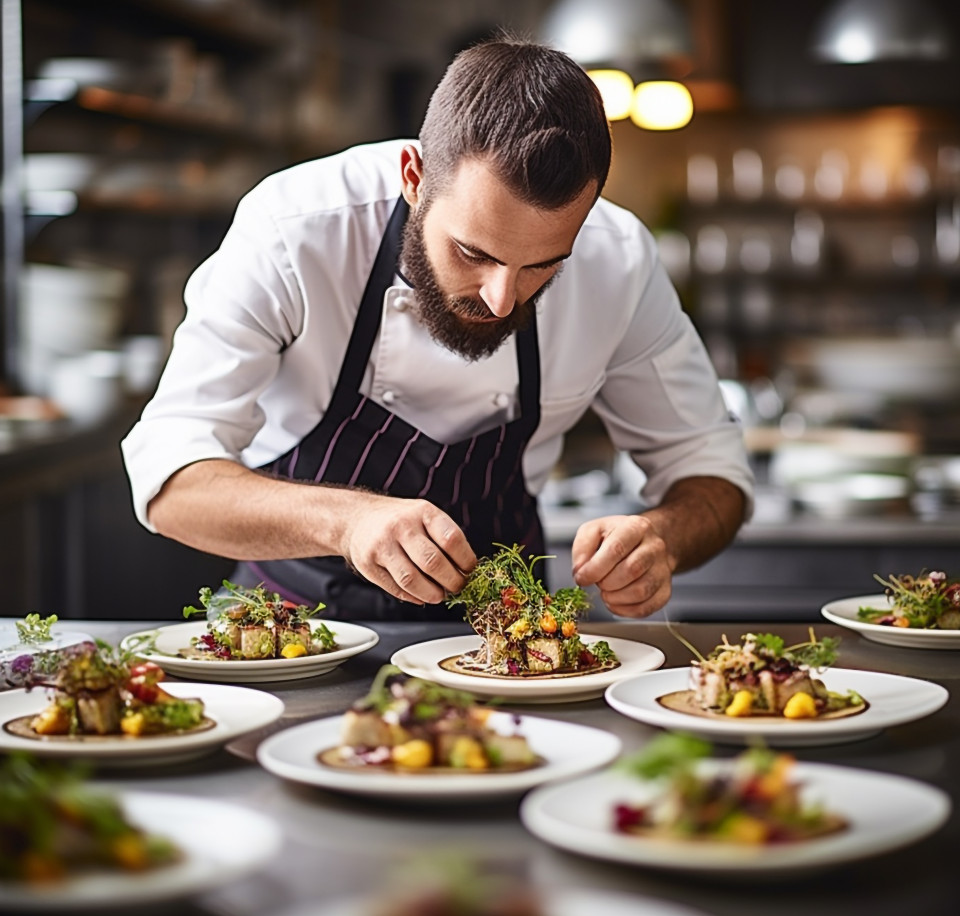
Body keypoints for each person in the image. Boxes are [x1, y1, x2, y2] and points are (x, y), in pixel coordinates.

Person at [121, 36, 753, 622]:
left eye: (542, 266)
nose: (501, 299)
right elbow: (171, 483)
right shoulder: (295, 230)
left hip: (508, 641)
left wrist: (664, 538)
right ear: (414, 177)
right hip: (289, 627)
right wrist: (346, 521)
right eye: (473, 253)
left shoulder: (619, 261)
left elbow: (712, 470)